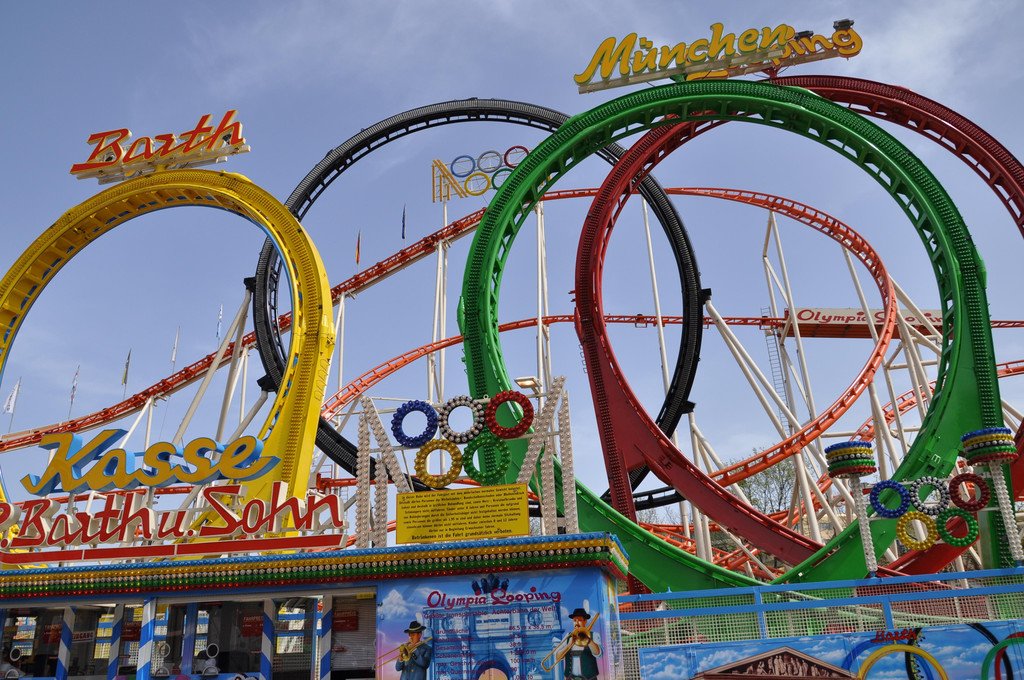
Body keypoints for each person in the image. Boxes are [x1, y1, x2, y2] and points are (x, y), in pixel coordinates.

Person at [553, 608, 601, 680]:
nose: (577, 622)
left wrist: (589, 640)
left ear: (585, 621)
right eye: (574, 620)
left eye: (580, 620)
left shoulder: (594, 635)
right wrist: (568, 646)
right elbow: (558, 657)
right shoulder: (568, 636)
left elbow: (598, 653)